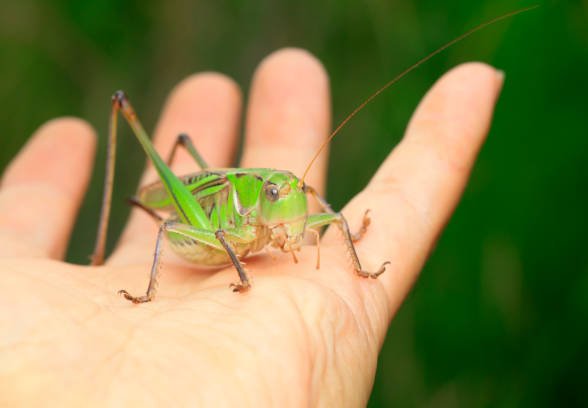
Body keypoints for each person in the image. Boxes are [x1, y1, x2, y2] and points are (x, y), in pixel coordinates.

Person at [0, 48, 503, 405]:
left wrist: (351, 241)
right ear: (263, 198)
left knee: (291, 194)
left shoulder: (285, 194)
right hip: (196, 228)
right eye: (275, 198)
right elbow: (207, 233)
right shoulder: (240, 212)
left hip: (230, 222)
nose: (288, 204)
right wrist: (239, 275)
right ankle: (95, 254)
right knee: (127, 113)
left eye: (292, 197)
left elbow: (310, 203)